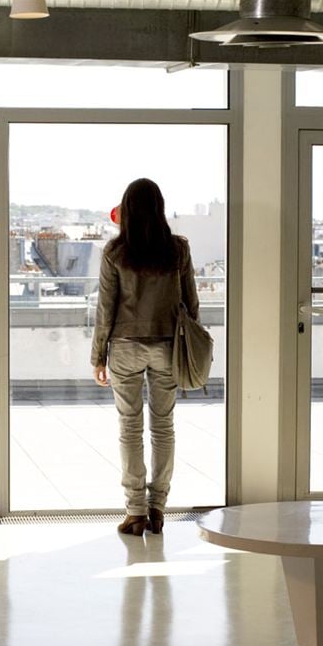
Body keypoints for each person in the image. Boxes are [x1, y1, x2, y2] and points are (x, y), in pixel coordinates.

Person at [91, 178, 199, 537]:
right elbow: (191, 303)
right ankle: (157, 508)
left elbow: (105, 308)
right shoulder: (178, 250)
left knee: (130, 428)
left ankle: (135, 511)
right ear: (159, 208)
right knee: (163, 427)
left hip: (124, 346)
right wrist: (191, 348)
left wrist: (98, 356)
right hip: (168, 345)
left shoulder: (115, 252)